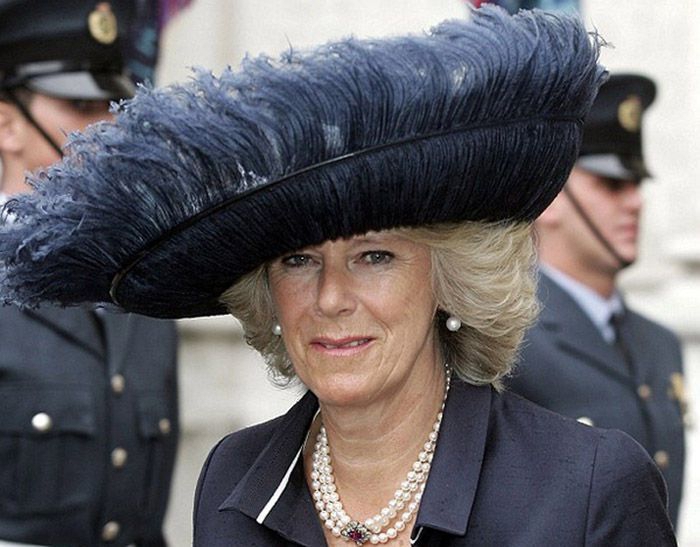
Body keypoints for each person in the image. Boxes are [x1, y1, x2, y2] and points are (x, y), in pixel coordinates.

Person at [0, 6, 676, 546]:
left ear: (449, 278)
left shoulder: (589, 489)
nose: (329, 298)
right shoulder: (232, 481)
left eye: (374, 256)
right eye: (297, 261)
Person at [0, 2, 178, 546]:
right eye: (80, 105)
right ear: (6, 124)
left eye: (114, 104)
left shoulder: (145, 278)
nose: (108, 127)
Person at [506, 73, 686, 527]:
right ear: (550, 196)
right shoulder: (506, 342)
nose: (636, 202)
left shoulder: (660, 344)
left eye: (637, 184)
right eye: (611, 185)